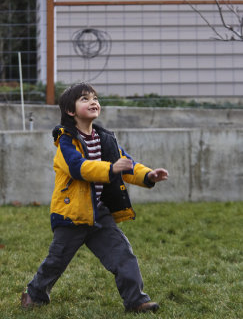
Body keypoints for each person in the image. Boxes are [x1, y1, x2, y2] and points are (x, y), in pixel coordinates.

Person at [21, 82, 169, 313]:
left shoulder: (105, 139)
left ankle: (136, 301)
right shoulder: (66, 142)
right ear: (71, 111)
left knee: (123, 256)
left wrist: (148, 175)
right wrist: (111, 168)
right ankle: (34, 293)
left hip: (99, 213)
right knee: (56, 262)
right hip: (72, 215)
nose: (93, 102)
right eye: (84, 99)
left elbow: (126, 165)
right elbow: (79, 168)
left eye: (95, 98)